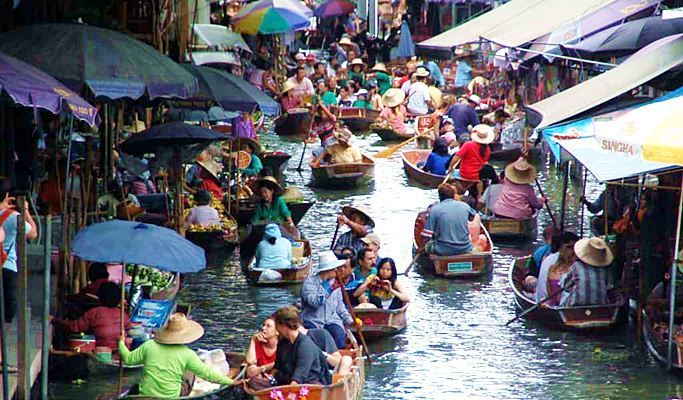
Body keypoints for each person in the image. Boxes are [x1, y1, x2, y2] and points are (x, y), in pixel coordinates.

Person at [118, 313, 235, 398]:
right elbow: (207, 374)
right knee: (189, 373)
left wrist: (121, 342)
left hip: (146, 396)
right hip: (170, 397)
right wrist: (231, 382)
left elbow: (128, 359)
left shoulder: (149, 345)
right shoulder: (187, 354)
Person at [300, 251, 359, 349]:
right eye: (335, 268)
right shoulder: (309, 283)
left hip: (332, 320)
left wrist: (351, 321)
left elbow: (340, 307)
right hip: (313, 321)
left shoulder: (336, 284)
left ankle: (339, 357)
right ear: (329, 270)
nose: (338, 270)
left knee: (339, 336)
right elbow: (314, 302)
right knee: (317, 339)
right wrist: (329, 290)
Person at [52, 282, 131, 350]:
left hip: (99, 352)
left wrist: (54, 320)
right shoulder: (123, 314)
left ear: (100, 296)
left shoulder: (94, 312)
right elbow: (129, 330)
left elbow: (75, 326)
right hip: (121, 352)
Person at [0, 184, 38, 322]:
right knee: (5, 316)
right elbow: (33, 234)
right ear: (7, 197)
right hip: (6, 267)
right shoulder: (13, 217)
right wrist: (26, 211)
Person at [271, 307, 332, 386]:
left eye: (277, 325)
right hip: (285, 382)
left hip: (308, 385)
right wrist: (270, 378)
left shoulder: (305, 345)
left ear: (284, 326)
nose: (276, 329)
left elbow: (298, 378)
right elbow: (277, 367)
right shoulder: (282, 343)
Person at [421, 184, 476, 256]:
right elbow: (472, 218)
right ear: (453, 195)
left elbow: (426, 235)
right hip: (465, 248)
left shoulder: (434, 209)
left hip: (442, 250)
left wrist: (422, 247)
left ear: (440, 196)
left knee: (428, 246)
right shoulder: (465, 206)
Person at [559, 237, 614, 307]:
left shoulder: (576, 265)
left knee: (564, 300)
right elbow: (609, 286)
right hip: (601, 304)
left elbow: (566, 286)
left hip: (575, 304)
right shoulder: (605, 269)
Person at [535, 232, 579, 304]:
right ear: (561, 248)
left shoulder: (578, 262)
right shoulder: (551, 261)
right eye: (569, 247)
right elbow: (545, 292)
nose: (573, 251)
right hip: (552, 303)